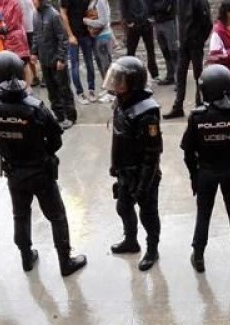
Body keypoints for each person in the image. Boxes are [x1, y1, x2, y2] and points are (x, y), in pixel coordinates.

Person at [0, 51, 87, 276]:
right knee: (57, 216)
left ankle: (26, 258)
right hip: (40, 171)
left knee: (20, 216)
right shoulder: (35, 107)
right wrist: (42, 153)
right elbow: (56, 139)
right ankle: (65, 261)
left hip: (13, 171)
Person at [180, 64, 230, 274]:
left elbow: (188, 153)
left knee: (203, 214)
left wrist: (193, 176)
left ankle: (198, 257)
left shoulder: (197, 117)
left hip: (205, 173)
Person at [106, 56, 163, 271]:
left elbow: (152, 153)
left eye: (120, 80)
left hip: (143, 173)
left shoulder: (147, 112)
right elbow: (118, 138)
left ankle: (152, 249)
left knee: (148, 214)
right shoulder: (121, 101)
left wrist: (143, 186)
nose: (115, 83)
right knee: (123, 207)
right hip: (124, 171)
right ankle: (131, 240)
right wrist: (115, 166)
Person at [162, 0, 213, 119]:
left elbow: (208, 24)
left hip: (195, 44)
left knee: (198, 75)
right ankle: (178, 106)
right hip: (183, 43)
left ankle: (200, 103)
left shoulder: (200, 2)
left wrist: (200, 41)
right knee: (180, 75)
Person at [32, 0, 77, 130]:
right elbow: (36, 36)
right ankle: (60, 116)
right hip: (44, 60)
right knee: (52, 91)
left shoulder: (54, 15)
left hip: (57, 61)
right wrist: (34, 52)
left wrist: (61, 59)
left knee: (64, 89)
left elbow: (63, 38)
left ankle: (70, 116)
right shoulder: (35, 15)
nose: (33, 2)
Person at [61, 0, 104, 104]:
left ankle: (91, 90)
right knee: (75, 64)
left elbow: (92, 8)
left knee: (89, 62)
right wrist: (70, 35)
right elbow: (63, 13)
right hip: (73, 35)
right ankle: (80, 93)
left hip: (86, 33)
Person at [0, 0, 32, 86]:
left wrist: (3, 30)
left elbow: (15, 21)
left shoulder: (14, 3)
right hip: (4, 39)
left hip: (16, 37)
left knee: (23, 63)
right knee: (9, 65)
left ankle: (27, 88)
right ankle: (16, 87)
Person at [83, 0, 115, 102]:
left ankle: (112, 93)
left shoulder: (100, 2)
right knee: (101, 65)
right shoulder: (93, 2)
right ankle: (107, 88)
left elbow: (103, 21)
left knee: (106, 65)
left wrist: (87, 21)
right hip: (98, 37)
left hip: (103, 37)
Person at [149, 0, 178, 85]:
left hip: (169, 22)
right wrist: (157, 8)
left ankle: (178, 78)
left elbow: (166, 7)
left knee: (174, 51)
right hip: (157, 23)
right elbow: (149, 7)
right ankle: (170, 76)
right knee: (165, 51)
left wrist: (156, 8)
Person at [20, 0, 40, 86]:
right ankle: (35, 76)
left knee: (39, 53)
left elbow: (36, 7)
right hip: (23, 30)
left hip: (34, 27)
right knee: (29, 55)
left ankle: (45, 77)